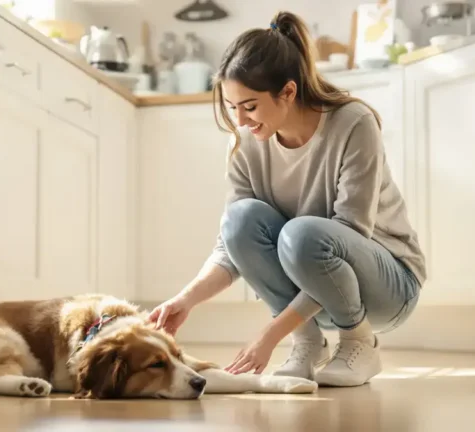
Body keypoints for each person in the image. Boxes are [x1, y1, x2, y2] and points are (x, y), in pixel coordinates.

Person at [148, 10, 426, 387]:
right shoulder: (246, 143)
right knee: (240, 220)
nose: (241, 121)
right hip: (320, 288)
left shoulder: (353, 123)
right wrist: (185, 300)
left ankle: (359, 342)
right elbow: (231, 248)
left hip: (387, 287)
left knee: (304, 234)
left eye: (249, 106)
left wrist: (270, 334)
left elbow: (347, 236)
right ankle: (308, 342)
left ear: (288, 92)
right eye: (232, 108)